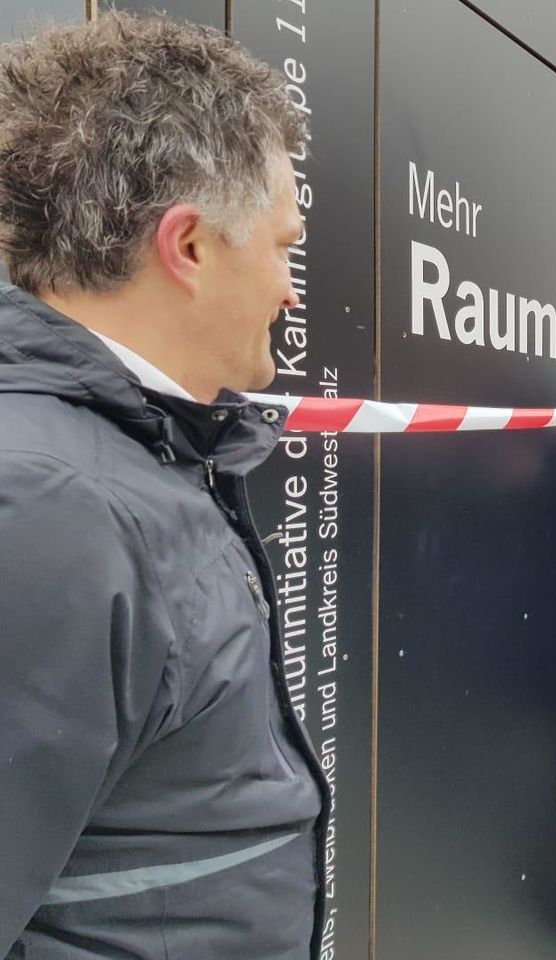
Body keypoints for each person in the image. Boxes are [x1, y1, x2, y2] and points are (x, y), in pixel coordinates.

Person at [0, 15, 327, 959]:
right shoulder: (50, 506)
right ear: (187, 246)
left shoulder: (130, 453)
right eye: (283, 245)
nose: (291, 289)